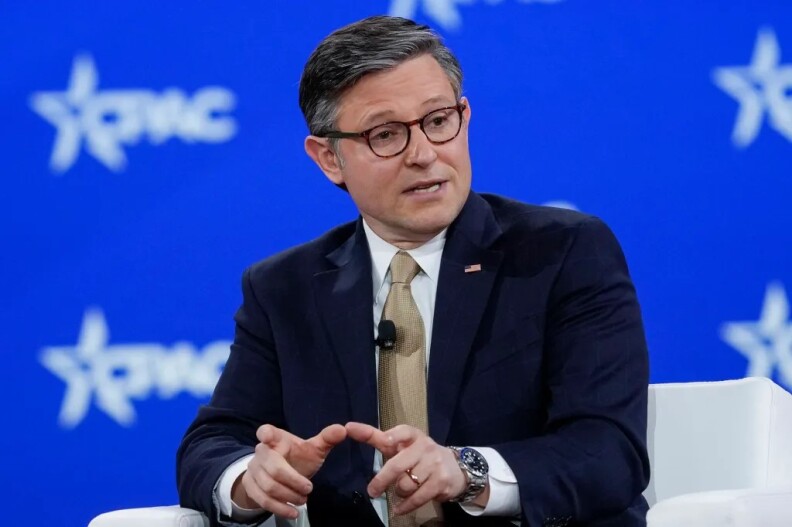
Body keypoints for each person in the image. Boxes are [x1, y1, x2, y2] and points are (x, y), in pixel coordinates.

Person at [177, 15, 650, 527]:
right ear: (328, 159)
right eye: (386, 135)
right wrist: (253, 479)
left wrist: (466, 470)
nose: (424, 154)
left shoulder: (561, 253)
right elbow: (211, 444)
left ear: (464, 118)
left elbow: (608, 451)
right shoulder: (283, 289)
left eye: (438, 121)